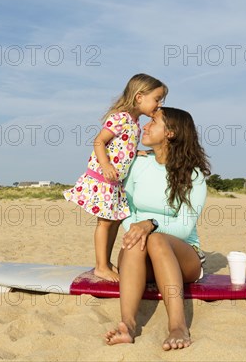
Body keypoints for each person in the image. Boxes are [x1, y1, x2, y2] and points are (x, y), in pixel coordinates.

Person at [104, 106, 210, 351]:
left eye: (153, 122)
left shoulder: (193, 175)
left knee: (155, 239)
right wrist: (138, 227)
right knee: (137, 238)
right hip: (139, 256)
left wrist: (150, 225)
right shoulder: (139, 165)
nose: (145, 126)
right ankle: (127, 325)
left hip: (183, 258)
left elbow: (185, 226)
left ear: (171, 133)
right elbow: (124, 208)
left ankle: (178, 326)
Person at [64, 74, 168, 282]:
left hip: (114, 183)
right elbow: (99, 142)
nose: (158, 105)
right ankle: (100, 266)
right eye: (156, 99)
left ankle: (106, 262)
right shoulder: (120, 118)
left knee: (112, 222)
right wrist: (106, 165)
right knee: (104, 224)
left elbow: (122, 145)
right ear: (139, 97)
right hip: (103, 179)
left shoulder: (135, 123)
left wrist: (133, 152)